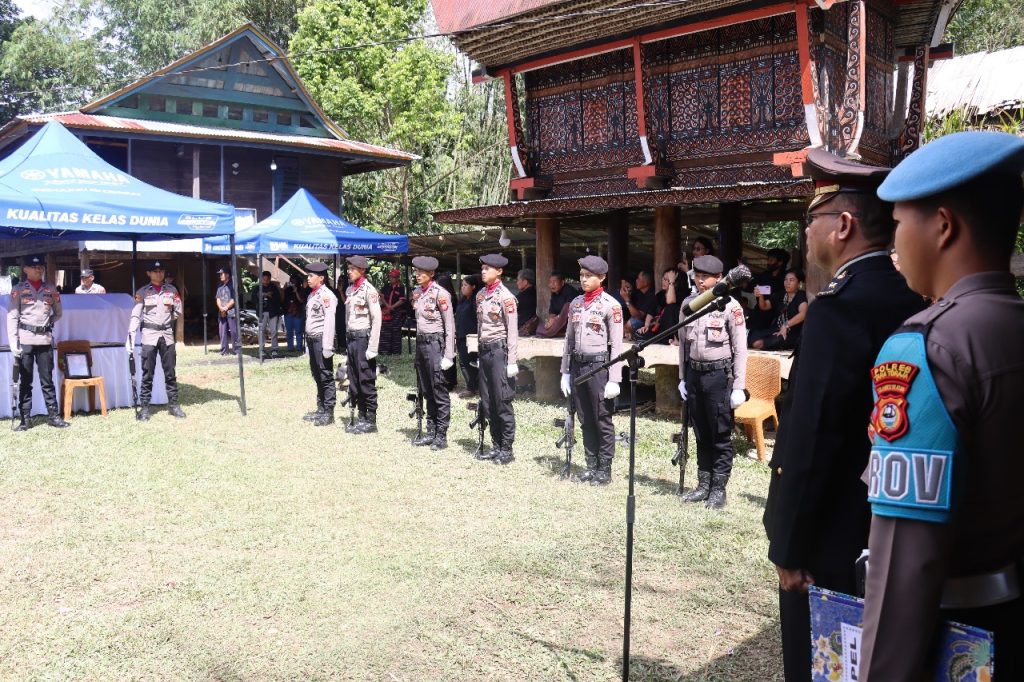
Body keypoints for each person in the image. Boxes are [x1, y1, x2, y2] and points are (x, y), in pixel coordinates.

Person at [857, 132, 1024, 679]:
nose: (893, 243)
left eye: (900, 224)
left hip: (956, 635)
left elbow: (907, 557)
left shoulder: (924, 349)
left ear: (944, 226)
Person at [761, 149, 926, 681]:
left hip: (828, 534)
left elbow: (812, 434)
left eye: (813, 219)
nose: (806, 234)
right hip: (888, 525)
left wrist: (788, 544)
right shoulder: (912, 295)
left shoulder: (840, 305)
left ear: (844, 225)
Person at [677, 255, 748, 508]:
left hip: (719, 376)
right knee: (701, 432)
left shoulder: (731, 306)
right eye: (697, 276)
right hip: (695, 374)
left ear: (719, 279)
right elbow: (683, 345)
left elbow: (740, 349)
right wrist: (682, 378)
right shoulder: (688, 304)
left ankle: (719, 488)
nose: (699, 281)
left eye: (705, 277)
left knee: (719, 434)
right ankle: (703, 483)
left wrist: (739, 386)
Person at [559, 255, 624, 485]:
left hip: (599, 366)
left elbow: (617, 345)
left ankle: (604, 469)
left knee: (601, 418)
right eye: (582, 276)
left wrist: (614, 378)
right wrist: (565, 371)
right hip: (578, 364)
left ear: (602, 277)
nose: (584, 280)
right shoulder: (576, 303)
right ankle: (591, 463)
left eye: (589, 276)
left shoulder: (610, 305)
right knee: (585, 416)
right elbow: (568, 340)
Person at [6, 254, 69, 430]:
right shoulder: (18, 290)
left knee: (47, 380)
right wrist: (13, 342)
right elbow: (12, 316)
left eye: (41, 266)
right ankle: (25, 419)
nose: (38, 269)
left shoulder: (51, 289)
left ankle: (53, 416)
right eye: (34, 267)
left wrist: (46, 324)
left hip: (45, 340)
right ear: (25, 269)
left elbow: (58, 313)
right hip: (25, 339)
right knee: (26, 380)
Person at [474, 254, 519, 464]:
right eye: (482, 268)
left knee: (502, 401)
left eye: (487, 269)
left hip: (500, 352)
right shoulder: (481, 295)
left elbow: (512, 332)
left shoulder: (506, 297)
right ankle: (496, 444)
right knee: (488, 399)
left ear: (499, 271)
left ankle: (507, 448)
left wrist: (511, 361)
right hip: (485, 351)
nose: (483, 272)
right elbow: (480, 326)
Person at [128, 260, 186, 421]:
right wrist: (131, 333)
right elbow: (135, 314)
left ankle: (174, 406)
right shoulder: (143, 292)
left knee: (170, 373)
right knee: (147, 373)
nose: (159, 273)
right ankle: (145, 408)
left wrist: (165, 322)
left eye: (161, 271)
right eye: (155, 271)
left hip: (167, 335)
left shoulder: (172, 290)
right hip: (149, 335)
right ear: (148, 273)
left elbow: (177, 311)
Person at [411, 256, 456, 450]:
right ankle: (430, 430)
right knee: (425, 388)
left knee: (439, 389)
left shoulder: (441, 294)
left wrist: (449, 355)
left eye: (422, 272)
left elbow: (450, 326)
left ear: (431, 274)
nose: (418, 275)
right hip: (421, 344)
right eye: (416, 272)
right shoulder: (417, 293)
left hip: (435, 344)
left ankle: (441, 434)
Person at [341, 256, 382, 434]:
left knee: (366, 378)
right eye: (348, 268)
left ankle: (370, 420)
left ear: (362, 270)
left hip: (363, 339)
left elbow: (377, 318)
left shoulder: (369, 290)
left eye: (352, 269)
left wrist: (373, 347)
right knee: (354, 378)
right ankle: (361, 415)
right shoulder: (351, 289)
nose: (349, 271)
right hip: (352, 339)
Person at [302, 262, 337, 426]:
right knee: (317, 374)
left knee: (325, 376)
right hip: (312, 339)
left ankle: (329, 412)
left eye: (311, 276)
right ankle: (321, 408)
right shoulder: (312, 295)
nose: (308, 278)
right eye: (308, 275)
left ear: (321, 278)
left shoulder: (327, 296)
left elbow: (330, 323)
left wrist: (327, 347)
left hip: (322, 340)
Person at [747, 269, 807, 350]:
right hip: (776, 328)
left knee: (760, 343)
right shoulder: (781, 294)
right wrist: (760, 296)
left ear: (799, 283)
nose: (787, 282)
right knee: (753, 336)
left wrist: (786, 325)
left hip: (792, 332)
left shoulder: (800, 295)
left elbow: (803, 314)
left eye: (791, 280)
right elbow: (764, 306)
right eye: (785, 279)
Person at [746, 248, 789, 333]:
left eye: (771, 260)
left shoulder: (785, 279)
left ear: (780, 262)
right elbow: (750, 286)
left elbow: (778, 294)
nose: (768, 263)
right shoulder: (764, 275)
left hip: (776, 312)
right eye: (768, 260)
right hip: (759, 311)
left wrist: (762, 291)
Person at [636, 268, 683, 344]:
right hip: (659, 327)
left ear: (675, 283)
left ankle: (673, 339)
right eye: (663, 279)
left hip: (672, 329)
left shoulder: (679, 295)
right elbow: (651, 312)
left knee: (671, 307)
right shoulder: (660, 295)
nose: (663, 281)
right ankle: (666, 341)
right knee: (639, 335)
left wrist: (671, 283)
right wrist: (646, 326)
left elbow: (670, 301)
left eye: (667, 280)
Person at [455, 274, 482, 398]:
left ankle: (472, 388)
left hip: (471, 336)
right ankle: (472, 386)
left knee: (470, 362)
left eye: (466, 285)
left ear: (473, 287)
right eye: (462, 285)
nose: (463, 287)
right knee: (463, 362)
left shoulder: (475, 301)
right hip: (460, 335)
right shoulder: (463, 300)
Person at [251, 271, 283, 358]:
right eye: (264, 279)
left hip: (273, 312)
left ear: (269, 279)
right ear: (261, 279)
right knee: (261, 331)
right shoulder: (257, 288)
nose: (265, 281)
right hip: (261, 313)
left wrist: (270, 296)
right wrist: (263, 295)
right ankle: (262, 349)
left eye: (267, 279)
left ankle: (274, 349)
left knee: (274, 332)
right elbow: (253, 299)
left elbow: (278, 299)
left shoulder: (273, 287)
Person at [535, 271, 575, 338]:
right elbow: (552, 312)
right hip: (558, 322)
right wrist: (549, 320)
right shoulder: (554, 294)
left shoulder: (569, 291)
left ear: (562, 283)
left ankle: (559, 332)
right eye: (550, 282)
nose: (551, 284)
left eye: (554, 282)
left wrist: (556, 319)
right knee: (540, 327)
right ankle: (556, 332)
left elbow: (568, 310)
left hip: (569, 321)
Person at [379, 268, 408, 355]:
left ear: (397, 278)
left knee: (396, 331)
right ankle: (384, 351)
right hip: (386, 310)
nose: (391, 278)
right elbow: (382, 297)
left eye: (393, 277)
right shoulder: (386, 286)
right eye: (390, 277)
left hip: (397, 312)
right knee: (385, 331)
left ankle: (395, 352)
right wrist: (387, 306)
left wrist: (392, 307)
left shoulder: (401, 287)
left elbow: (402, 300)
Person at [214, 267, 239, 356]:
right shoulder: (220, 286)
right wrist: (221, 308)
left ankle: (236, 350)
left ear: (227, 275)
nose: (220, 276)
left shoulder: (233, 285)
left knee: (233, 331)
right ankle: (224, 351)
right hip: (221, 312)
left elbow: (234, 299)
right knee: (222, 332)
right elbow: (217, 298)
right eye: (220, 274)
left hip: (231, 312)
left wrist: (226, 308)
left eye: (222, 274)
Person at [626, 270, 656, 337]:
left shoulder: (651, 295)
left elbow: (639, 316)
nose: (636, 280)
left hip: (647, 324)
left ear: (646, 282)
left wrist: (627, 300)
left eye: (638, 279)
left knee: (630, 323)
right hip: (638, 320)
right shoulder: (639, 293)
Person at [282, 274, 306, 353]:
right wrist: (283, 289)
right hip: (288, 312)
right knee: (289, 332)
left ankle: (299, 347)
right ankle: (290, 348)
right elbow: (282, 300)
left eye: (294, 281)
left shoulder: (301, 289)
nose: (292, 282)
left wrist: (296, 292)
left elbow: (301, 301)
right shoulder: (287, 289)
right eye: (291, 280)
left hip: (298, 313)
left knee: (299, 331)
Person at [515, 268, 538, 336]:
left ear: (525, 282)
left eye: (518, 280)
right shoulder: (537, 294)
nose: (517, 283)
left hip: (522, 327)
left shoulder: (521, 297)